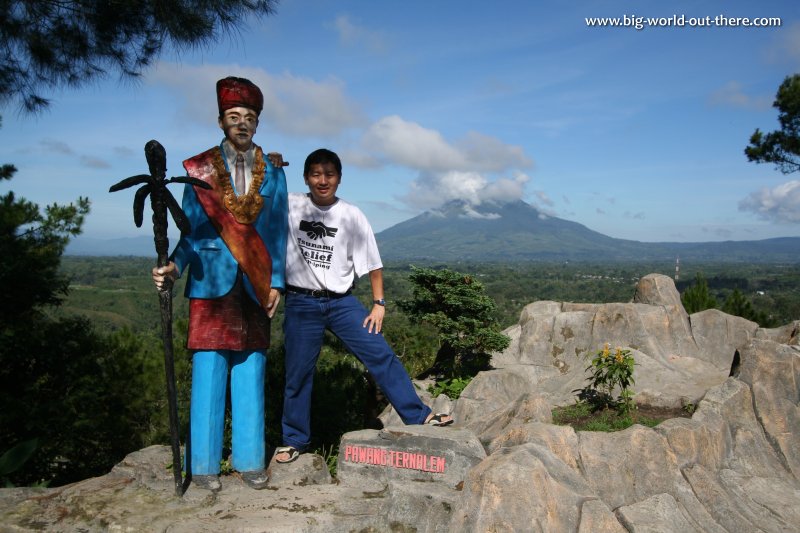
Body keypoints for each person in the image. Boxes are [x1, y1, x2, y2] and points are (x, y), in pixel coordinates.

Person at [274, 148, 452, 464]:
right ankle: (293, 440)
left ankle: (418, 416)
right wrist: (269, 168)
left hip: (342, 302)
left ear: (339, 178)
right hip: (301, 302)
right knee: (298, 373)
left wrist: (379, 304)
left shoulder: (352, 215)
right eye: (316, 174)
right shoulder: (292, 204)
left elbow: (373, 264)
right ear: (306, 178)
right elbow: (261, 200)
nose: (322, 180)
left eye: (329, 174)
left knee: (379, 353)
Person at [152, 76, 288, 491]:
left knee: (251, 368)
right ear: (220, 120)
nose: (242, 123)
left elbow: (279, 231)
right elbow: (190, 231)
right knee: (208, 371)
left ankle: (249, 460)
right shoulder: (201, 169)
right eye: (234, 116)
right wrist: (174, 267)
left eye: (249, 117)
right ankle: (204, 466)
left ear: (257, 123)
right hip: (210, 281)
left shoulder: (275, 171)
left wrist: (278, 280)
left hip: (257, 279)